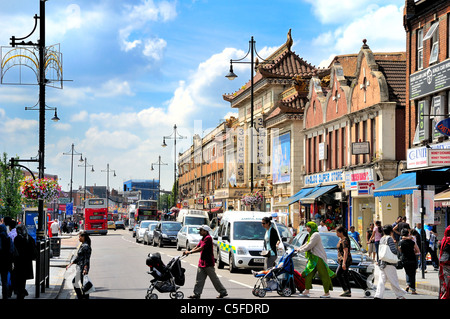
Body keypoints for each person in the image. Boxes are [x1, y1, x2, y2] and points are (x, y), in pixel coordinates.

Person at [183, 225, 227, 299]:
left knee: (214, 279)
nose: (199, 232)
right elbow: (197, 247)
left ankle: (223, 292)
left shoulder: (208, 238)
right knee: (199, 280)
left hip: (208, 263)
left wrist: (190, 252)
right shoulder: (203, 238)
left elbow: (201, 248)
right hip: (202, 263)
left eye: (201, 230)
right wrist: (189, 251)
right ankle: (197, 294)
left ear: (205, 231)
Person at [295, 221, 335, 298]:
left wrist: (300, 250)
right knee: (308, 273)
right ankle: (306, 291)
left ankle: (327, 293)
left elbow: (310, 245)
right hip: (313, 258)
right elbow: (306, 244)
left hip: (319, 258)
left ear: (313, 227)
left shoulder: (316, 235)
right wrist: (298, 248)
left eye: (309, 227)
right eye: (307, 227)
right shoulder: (311, 235)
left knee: (324, 275)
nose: (307, 228)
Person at [374, 224, 406, 299]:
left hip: (382, 263)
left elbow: (380, 251)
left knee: (382, 280)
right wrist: (398, 250)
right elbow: (393, 250)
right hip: (389, 263)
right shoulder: (389, 239)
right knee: (394, 280)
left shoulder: (382, 238)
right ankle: (400, 295)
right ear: (391, 231)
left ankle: (378, 296)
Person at [13, 224, 37, 299]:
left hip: (19, 262)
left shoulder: (17, 239)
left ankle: (20, 291)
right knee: (23, 279)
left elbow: (15, 250)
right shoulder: (29, 238)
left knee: (18, 278)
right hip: (27, 262)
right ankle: (22, 290)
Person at [66, 230, 92, 299]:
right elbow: (78, 257)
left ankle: (81, 297)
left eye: (80, 237)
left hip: (83, 268)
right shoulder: (83, 245)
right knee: (83, 284)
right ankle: (82, 296)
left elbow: (87, 259)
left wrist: (85, 269)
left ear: (83, 237)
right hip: (80, 267)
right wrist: (71, 263)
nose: (79, 238)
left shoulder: (86, 246)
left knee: (77, 282)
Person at [398, 228, 420, 295]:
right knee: (412, 274)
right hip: (412, 259)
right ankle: (413, 290)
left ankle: (408, 285)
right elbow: (417, 250)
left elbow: (400, 250)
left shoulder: (400, 242)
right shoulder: (412, 242)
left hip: (404, 259)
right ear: (408, 233)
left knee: (407, 272)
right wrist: (414, 252)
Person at [336, 226, 352, 297]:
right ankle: (348, 291)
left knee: (338, 274)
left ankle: (346, 290)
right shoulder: (341, 239)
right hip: (341, 260)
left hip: (345, 260)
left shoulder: (345, 240)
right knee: (345, 275)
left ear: (341, 232)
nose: (336, 234)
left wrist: (344, 263)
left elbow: (346, 252)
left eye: (337, 232)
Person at [0, 224, 13, 299]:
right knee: (5, 280)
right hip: (5, 262)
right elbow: (11, 250)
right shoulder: (8, 238)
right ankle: (5, 296)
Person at [438, 225, 450, 299]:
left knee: (443, 283)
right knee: (447, 284)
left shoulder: (444, 239)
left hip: (443, 263)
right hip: (447, 263)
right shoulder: (448, 240)